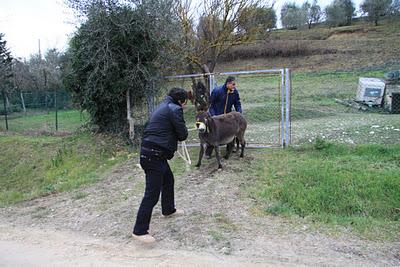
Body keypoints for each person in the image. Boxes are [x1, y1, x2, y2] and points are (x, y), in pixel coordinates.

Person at [132, 87, 189, 244]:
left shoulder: (163, 106)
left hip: (153, 152)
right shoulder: (175, 108)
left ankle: (168, 209)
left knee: (168, 180)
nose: (185, 106)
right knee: (151, 194)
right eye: (185, 103)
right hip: (154, 155)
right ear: (181, 101)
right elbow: (183, 134)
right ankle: (139, 230)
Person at [206, 76, 242, 158]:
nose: (234, 86)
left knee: (229, 132)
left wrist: (239, 112)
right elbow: (211, 105)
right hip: (217, 118)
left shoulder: (234, 92)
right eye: (233, 84)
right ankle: (208, 152)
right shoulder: (217, 91)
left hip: (228, 118)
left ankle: (229, 150)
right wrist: (213, 116)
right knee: (213, 134)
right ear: (228, 83)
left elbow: (237, 103)